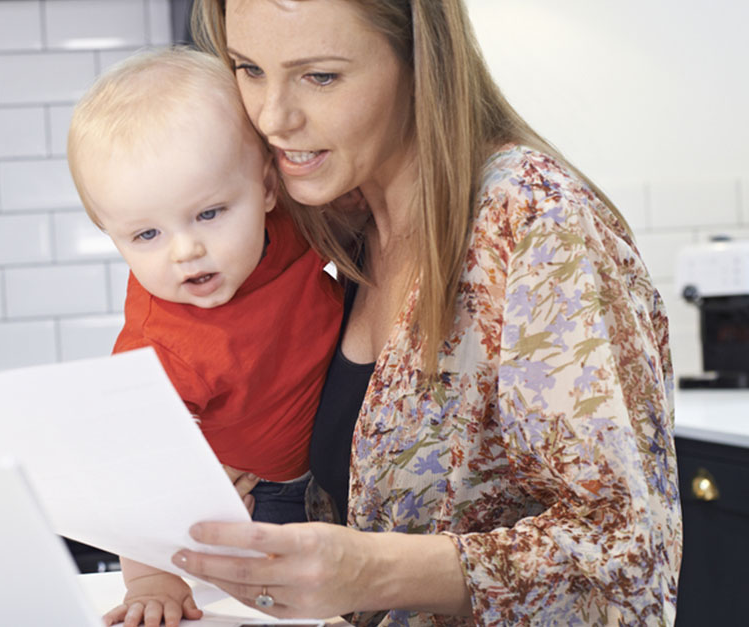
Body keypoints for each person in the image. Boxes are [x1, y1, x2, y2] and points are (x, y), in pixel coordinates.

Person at [147, 1, 682, 626]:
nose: (272, 117)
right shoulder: (333, 223)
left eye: (320, 76)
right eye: (249, 68)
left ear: (419, 61)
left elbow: (626, 552)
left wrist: (372, 572)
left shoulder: (537, 221)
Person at [66, 47, 345, 626]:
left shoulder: (293, 227)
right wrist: (152, 581)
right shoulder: (158, 350)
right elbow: (136, 475)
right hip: (263, 498)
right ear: (111, 236)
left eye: (210, 213)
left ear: (269, 190)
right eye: (146, 234)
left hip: (343, 468)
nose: (185, 249)